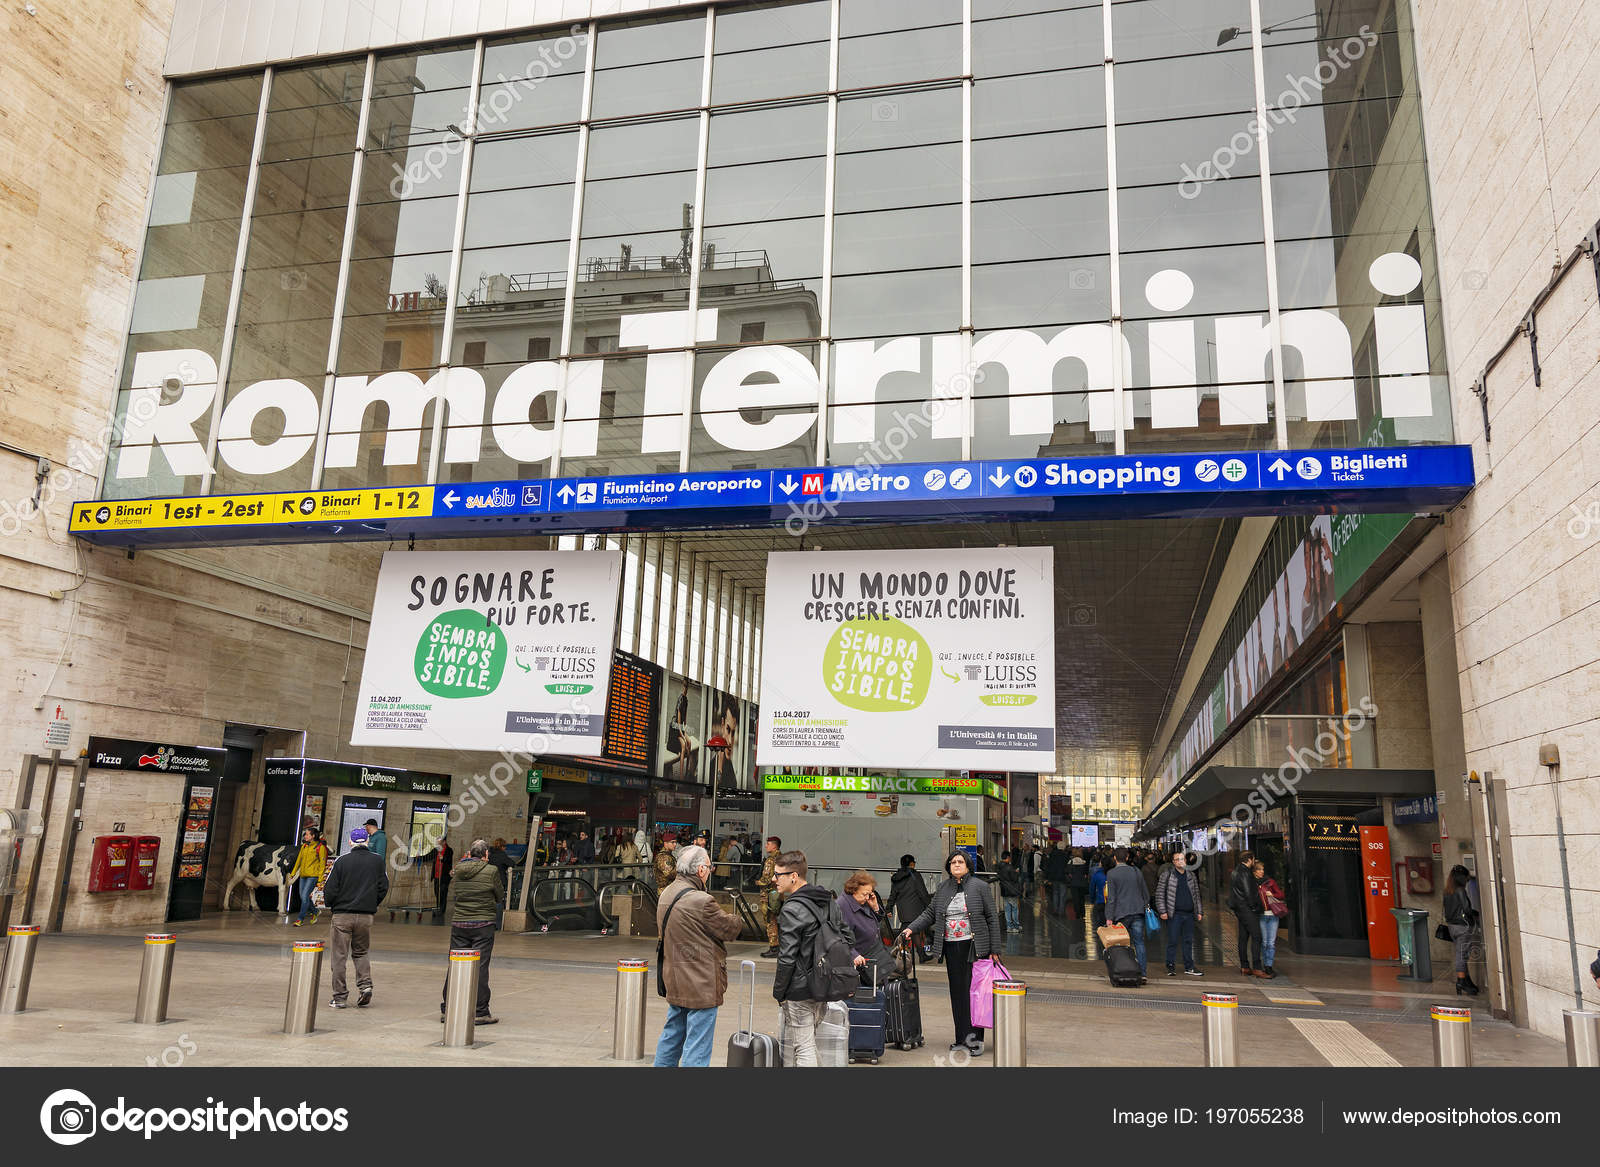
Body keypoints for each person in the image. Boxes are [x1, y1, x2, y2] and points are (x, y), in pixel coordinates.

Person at [901, 850, 1002, 1055]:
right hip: (951, 947)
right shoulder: (943, 887)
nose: (956, 865)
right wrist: (911, 928)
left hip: (975, 947)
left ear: (968, 865)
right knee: (957, 994)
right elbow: (930, 913)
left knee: (974, 995)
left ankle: (975, 1041)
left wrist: (995, 950)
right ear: (948, 866)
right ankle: (960, 1039)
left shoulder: (980, 887)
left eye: (960, 861)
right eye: (953, 862)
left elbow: (992, 918)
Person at [772, 850, 864, 1066]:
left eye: (778, 875)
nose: (773, 879)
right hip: (824, 984)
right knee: (808, 1042)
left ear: (793, 876)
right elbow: (848, 939)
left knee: (803, 1047)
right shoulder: (828, 901)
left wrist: (779, 991)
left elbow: (787, 957)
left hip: (800, 988)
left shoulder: (792, 908)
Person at [655, 844, 744, 1066]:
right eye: (709, 867)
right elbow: (729, 930)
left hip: (674, 977)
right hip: (700, 982)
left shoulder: (666, 893)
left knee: (672, 1037)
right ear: (701, 870)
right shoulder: (702, 901)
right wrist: (737, 918)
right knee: (698, 1046)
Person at [321, 827, 389, 1008]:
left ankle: (340, 997)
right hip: (366, 916)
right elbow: (384, 886)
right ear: (367, 842)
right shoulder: (377, 861)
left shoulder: (341, 861)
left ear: (350, 842)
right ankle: (365, 986)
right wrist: (372, 903)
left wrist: (332, 905)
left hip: (342, 915)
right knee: (361, 952)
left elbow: (330, 889)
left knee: (339, 956)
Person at [440, 839, 505, 1025]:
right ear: (485, 855)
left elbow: (457, 893)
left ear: (469, 854)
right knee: (480, 966)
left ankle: (448, 1008)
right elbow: (499, 895)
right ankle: (480, 1011)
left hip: (459, 923)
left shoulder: (458, 871)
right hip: (483, 925)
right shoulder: (491, 870)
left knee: (455, 964)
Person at [837, 870, 894, 981]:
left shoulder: (863, 901)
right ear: (853, 890)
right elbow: (838, 936)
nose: (867, 897)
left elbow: (876, 922)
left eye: (869, 894)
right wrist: (853, 955)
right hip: (859, 962)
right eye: (864, 894)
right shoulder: (842, 905)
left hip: (874, 955)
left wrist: (875, 907)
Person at [1156, 849, 1204, 977]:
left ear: (1185, 861)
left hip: (1189, 914)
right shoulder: (1167, 875)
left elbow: (1196, 894)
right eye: (1177, 859)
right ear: (1173, 862)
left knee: (1188, 941)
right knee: (1172, 940)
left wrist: (1199, 911)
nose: (1180, 861)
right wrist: (1162, 911)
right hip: (1174, 914)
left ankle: (1189, 966)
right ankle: (1170, 965)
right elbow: (1160, 894)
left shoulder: (1191, 875)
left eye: (1182, 859)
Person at [1104, 847, 1149, 983]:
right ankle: (1142, 973)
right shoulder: (1136, 871)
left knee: (1122, 943)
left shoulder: (1111, 874)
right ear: (1128, 858)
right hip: (1137, 911)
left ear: (1115, 858)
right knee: (1139, 943)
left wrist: (1109, 917)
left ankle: (1126, 970)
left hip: (1121, 913)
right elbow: (1145, 893)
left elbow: (1112, 898)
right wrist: (1145, 906)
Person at [886, 854, 933, 958]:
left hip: (903, 911)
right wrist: (929, 906)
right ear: (911, 863)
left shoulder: (897, 877)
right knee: (906, 932)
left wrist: (889, 908)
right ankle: (896, 953)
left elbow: (893, 894)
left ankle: (921, 955)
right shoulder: (915, 875)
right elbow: (922, 892)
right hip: (915, 909)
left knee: (913, 931)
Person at [1228, 851, 1266, 978]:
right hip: (1247, 910)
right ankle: (1257, 967)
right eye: (1253, 859)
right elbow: (1249, 893)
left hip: (1239, 909)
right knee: (1257, 937)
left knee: (1243, 937)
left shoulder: (1235, 871)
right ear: (1250, 859)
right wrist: (1255, 907)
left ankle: (1244, 966)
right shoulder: (1245, 873)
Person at [1443, 864, 1479, 996]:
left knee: (1461, 952)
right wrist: (1476, 914)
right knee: (1462, 955)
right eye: (1467, 878)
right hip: (1463, 927)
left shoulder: (1447, 891)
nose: (1468, 881)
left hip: (1452, 927)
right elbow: (1467, 909)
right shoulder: (1460, 891)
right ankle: (1461, 980)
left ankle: (1466, 980)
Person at [1251, 860, 1285, 979]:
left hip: (1273, 915)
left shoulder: (1270, 882)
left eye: (1262, 869)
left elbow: (1281, 895)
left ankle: (1268, 966)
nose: (1261, 872)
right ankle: (1264, 965)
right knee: (1265, 942)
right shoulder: (1252, 884)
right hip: (1261, 916)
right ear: (1254, 871)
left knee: (1271, 943)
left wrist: (1273, 895)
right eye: (1259, 869)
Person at [289, 826, 328, 927]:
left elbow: (322, 864)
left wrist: (320, 879)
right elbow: (299, 860)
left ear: (313, 836)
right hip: (303, 875)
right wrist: (293, 873)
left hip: (313, 876)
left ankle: (300, 919)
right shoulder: (304, 846)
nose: (305, 836)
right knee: (303, 897)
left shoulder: (320, 847)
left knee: (305, 896)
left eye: (307, 834)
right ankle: (315, 911)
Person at [756, 836, 782, 957]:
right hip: (777, 894)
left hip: (768, 895)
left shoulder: (771, 860)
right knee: (776, 920)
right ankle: (778, 946)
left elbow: (766, 879)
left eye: (768, 844)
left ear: (774, 846)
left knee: (770, 920)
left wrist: (757, 882)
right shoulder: (781, 858)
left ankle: (774, 947)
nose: (766, 846)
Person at [426, 837, 454, 922]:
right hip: (436, 875)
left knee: (442, 892)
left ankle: (441, 910)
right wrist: (418, 856)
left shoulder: (449, 850)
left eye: (439, 842)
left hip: (445, 875)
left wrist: (443, 858)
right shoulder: (436, 850)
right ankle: (438, 907)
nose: (437, 844)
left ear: (444, 842)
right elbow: (428, 856)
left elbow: (449, 860)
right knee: (436, 892)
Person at [996, 850, 1023, 933]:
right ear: (1007, 858)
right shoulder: (1009, 867)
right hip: (1012, 890)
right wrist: (1016, 872)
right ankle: (1016, 926)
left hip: (1004, 890)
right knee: (1014, 908)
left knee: (1007, 909)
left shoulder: (998, 867)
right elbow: (1014, 878)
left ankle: (1009, 927)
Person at [1041, 842, 1068, 915]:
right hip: (1062, 878)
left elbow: (1049, 866)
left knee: (1055, 894)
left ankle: (1055, 910)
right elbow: (1067, 867)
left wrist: (1047, 877)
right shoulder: (1065, 855)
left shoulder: (1052, 855)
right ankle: (1061, 911)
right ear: (1064, 847)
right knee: (1062, 895)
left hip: (1054, 877)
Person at [1067, 846, 1090, 918]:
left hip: (1074, 883)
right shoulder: (1084, 862)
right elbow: (1086, 873)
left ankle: (1077, 913)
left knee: (1075, 899)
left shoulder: (1070, 862)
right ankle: (1082, 913)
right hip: (1082, 883)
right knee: (1081, 899)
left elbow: (1068, 872)